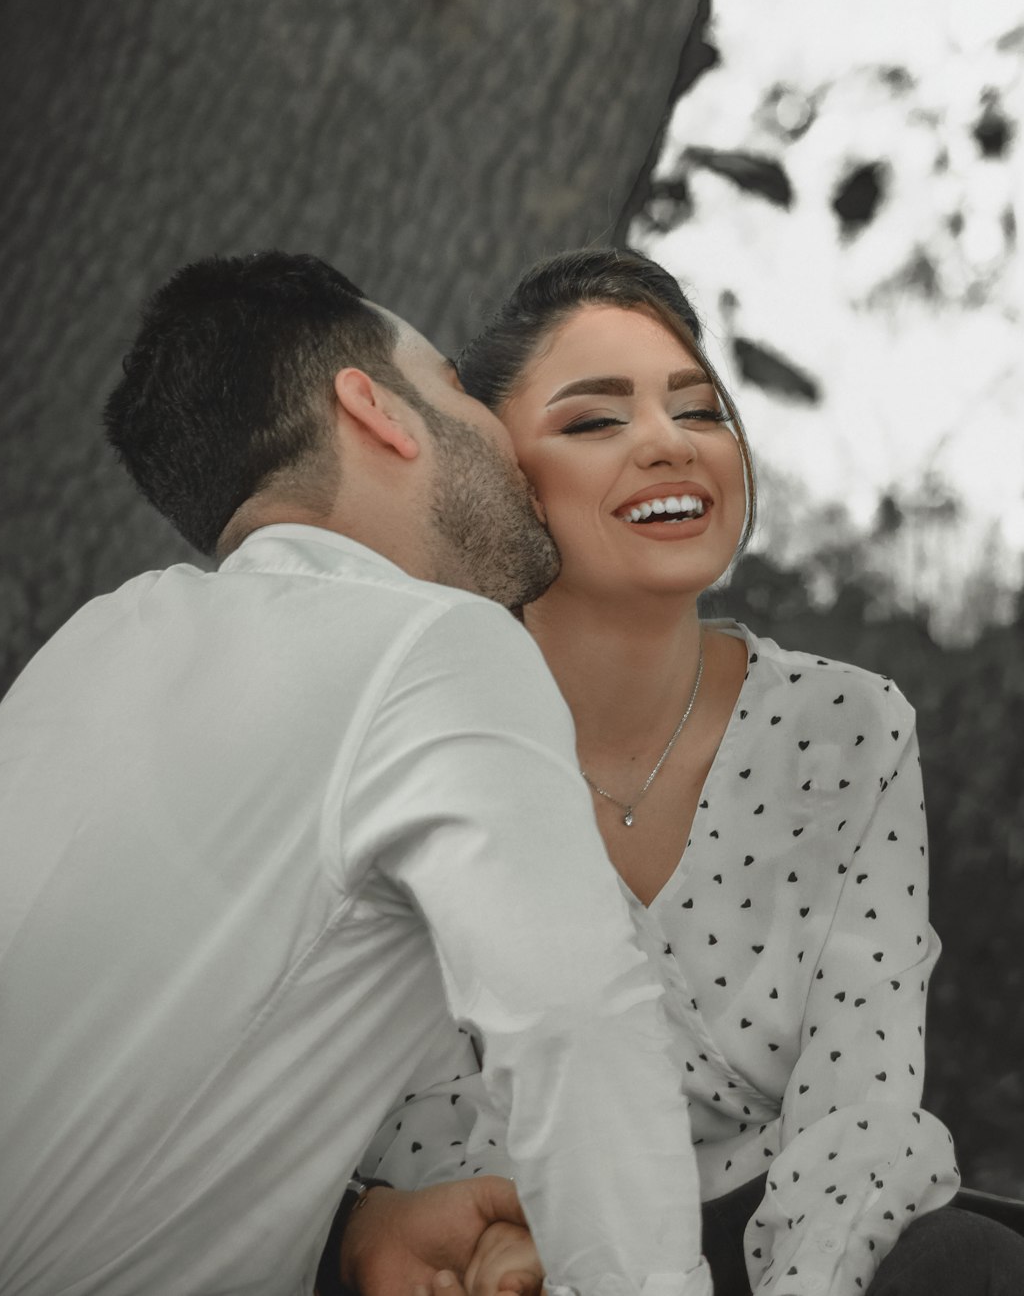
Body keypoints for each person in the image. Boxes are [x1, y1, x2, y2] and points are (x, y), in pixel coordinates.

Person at [0, 252, 711, 1296]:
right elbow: (577, 1027)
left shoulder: (92, 650)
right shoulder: (432, 642)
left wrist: (349, 1230)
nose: (503, 438)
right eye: (452, 385)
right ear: (377, 410)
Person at [353, 247, 1024, 1296]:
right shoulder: (415, 733)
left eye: (699, 410)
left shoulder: (846, 727)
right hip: (504, 1236)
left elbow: (858, 1112)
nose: (669, 443)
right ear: (498, 478)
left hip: (786, 1237)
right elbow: (418, 1111)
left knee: (972, 1263)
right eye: (595, 419)